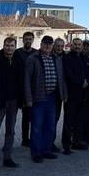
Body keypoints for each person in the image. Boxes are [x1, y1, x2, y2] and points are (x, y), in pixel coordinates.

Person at [24, 35, 67, 163]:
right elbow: (26, 79)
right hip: (38, 98)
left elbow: (61, 77)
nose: (48, 46)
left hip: (53, 98)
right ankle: (36, 153)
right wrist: (28, 98)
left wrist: (63, 94)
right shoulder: (33, 59)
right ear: (41, 44)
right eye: (45, 44)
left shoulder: (57, 59)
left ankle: (46, 150)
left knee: (50, 126)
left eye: (50, 44)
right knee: (37, 127)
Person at [0, 36, 22, 171]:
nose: (9, 48)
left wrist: (21, 99)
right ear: (4, 46)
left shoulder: (18, 60)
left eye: (12, 46)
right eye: (7, 45)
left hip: (13, 100)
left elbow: (21, 80)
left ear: (15, 46)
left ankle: (7, 157)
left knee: (11, 130)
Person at [61, 37, 89, 154]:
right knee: (69, 121)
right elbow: (68, 74)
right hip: (72, 95)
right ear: (71, 45)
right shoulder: (67, 58)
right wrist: (80, 82)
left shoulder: (85, 58)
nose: (78, 46)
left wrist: (87, 81)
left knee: (80, 120)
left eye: (80, 44)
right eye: (76, 44)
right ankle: (66, 145)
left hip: (83, 95)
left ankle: (77, 142)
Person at [16, 31, 37, 147]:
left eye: (30, 39)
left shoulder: (36, 53)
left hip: (34, 89)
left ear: (33, 40)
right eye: (26, 39)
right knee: (25, 116)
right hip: (21, 88)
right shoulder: (17, 53)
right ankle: (25, 138)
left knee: (34, 116)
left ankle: (33, 137)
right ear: (23, 40)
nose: (28, 41)